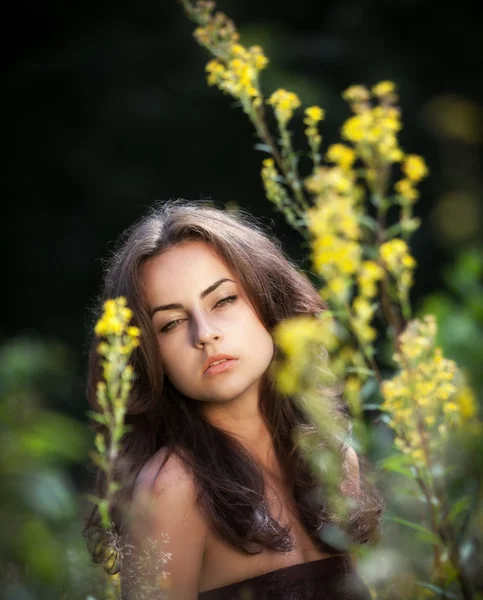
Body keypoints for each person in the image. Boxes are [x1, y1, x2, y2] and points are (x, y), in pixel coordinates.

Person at [84, 199, 382, 599]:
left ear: (267, 298)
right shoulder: (173, 489)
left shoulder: (331, 459)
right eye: (171, 323)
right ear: (149, 356)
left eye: (223, 300)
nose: (205, 333)